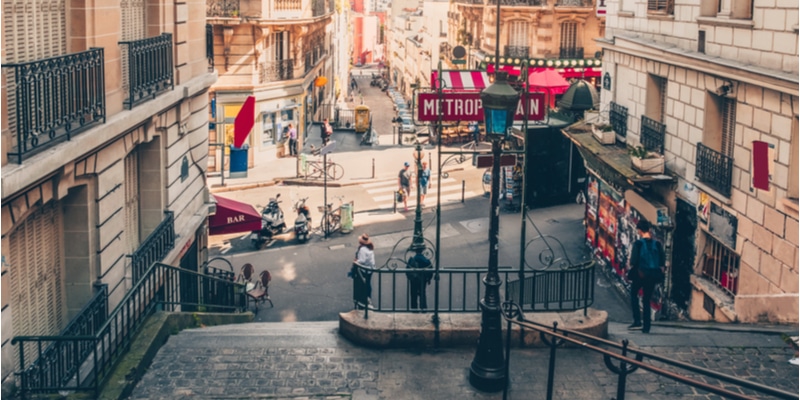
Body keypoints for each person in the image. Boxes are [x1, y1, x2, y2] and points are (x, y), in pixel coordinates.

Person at [627, 219, 665, 334]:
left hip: (640, 275)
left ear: (639, 230)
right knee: (647, 299)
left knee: (634, 294)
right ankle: (646, 326)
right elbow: (662, 261)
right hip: (652, 275)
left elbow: (633, 261)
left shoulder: (638, 244)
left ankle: (637, 320)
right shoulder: (657, 244)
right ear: (649, 230)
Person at [351, 234, 375, 307]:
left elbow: (362, 260)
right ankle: (368, 297)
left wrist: (356, 262)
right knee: (368, 283)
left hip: (365, 269)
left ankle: (364, 298)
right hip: (371, 268)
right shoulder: (369, 247)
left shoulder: (362, 249)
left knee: (364, 283)